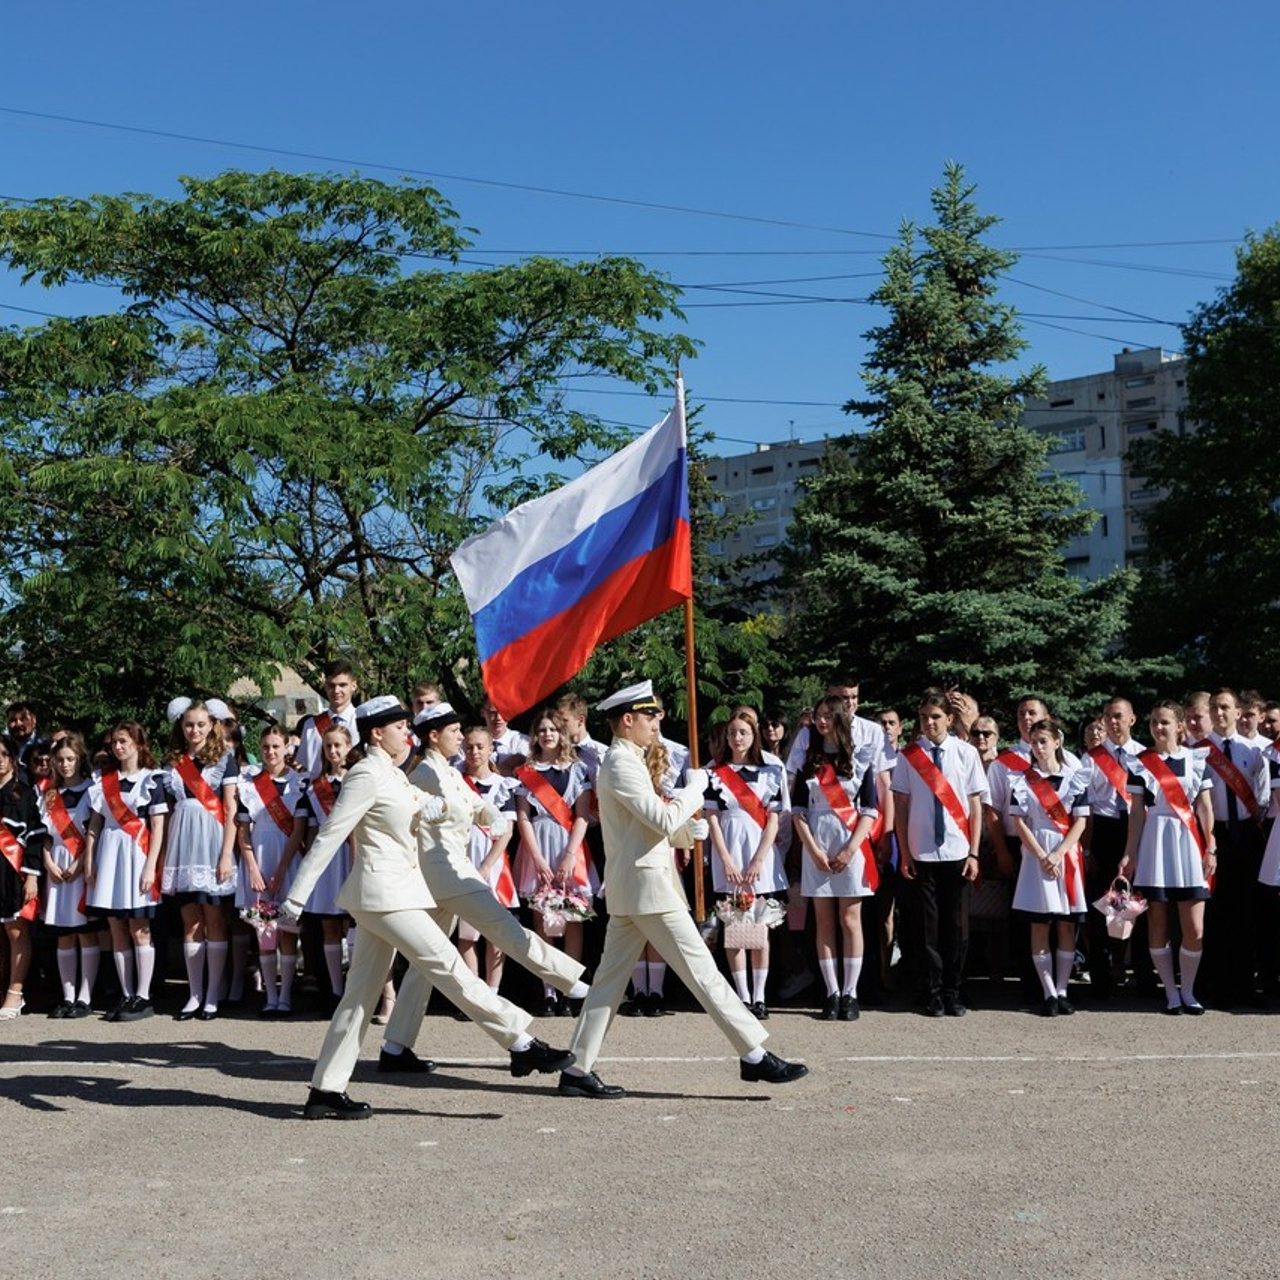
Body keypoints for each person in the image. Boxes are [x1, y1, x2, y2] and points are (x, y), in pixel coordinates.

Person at [279, 696, 574, 1120]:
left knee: (359, 997)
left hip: (394, 894)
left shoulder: (395, 774)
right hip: (384, 895)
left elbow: (418, 805)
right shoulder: (366, 773)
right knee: (447, 966)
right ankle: (521, 1042)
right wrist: (296, 896)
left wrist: (447, 808)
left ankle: (325, 1089)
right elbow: (331, 835)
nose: (408, 733)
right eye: (400, 727)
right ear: (377, 733)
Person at [560, 681, 808, 1099]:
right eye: (650, 716)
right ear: (628, 720)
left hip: (640, 886)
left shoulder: (630, 760)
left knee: (608, 983)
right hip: (647, 888)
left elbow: (645, 827)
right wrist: (697, 786)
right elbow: (657, 818)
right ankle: (754, 1053)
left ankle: (577, 1068)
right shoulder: (621, 762)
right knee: (702, 971)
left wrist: (682, 832)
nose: (657, 722)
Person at [378, 703, 590, 1072]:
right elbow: (406, 817)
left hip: (450, 873)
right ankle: (573, 983)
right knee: (504, 927)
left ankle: (395, 1048)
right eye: (455, 732)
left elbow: (474, 804)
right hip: (446, 873)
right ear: (433, 735)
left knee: (423, 968)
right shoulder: (425, 773)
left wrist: (491, 816)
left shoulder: (448, 769)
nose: (462, 738)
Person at [892, 689, 988, 1017]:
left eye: (935, 717)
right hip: (921, 852)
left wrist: (974, 853)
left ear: (949, 719)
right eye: (923, 717)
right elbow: (901, 807)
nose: (929, 723)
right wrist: (904, 853)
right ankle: (931, 990)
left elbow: (975, 805)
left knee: (956, 926)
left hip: (957, 849)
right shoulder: (908, 756)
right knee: (926, 927)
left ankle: (953, 989)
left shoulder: (965, 753)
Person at [1119, 701, 1215, 1015]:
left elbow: (1204, 809)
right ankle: (1171, 993)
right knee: (1157, 924)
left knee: (1195, 929)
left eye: (1165, 723)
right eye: (1154, 723)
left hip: (1188, 843)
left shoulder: (1196, 759)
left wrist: (1211, 845)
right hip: (1155, 844)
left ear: (1179, 726)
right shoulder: (1140, 763)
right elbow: (1135, 814)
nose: (1159, 729)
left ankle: (1188, 990)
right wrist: (1129, 855)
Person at [791, 697, 878, 1021]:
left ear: (841, 718)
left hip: (849, 847)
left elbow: (870, 809)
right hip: (817, 847)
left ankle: (851, 993)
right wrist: (812, 850)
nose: (822, 721)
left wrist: (850, 849)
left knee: (850, 920)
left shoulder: (859, 759)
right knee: (824, 922)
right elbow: (798, 811)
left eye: (828, 716)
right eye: (818, 716)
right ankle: (831, 992)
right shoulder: (809, 761)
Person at [705, 710, 789, 1019]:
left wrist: (758, 859)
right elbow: (711, 817)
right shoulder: (714, 772)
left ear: (754, 735)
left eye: (742, 732)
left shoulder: (771, 771)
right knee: (734, 925)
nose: (736, 738)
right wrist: (725, 858)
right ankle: (741, 997)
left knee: (759, 926)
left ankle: (759, 996)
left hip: (759, 855)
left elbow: (774, 820)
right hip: (727, 852)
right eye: (731, 733)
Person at [82, 722, 168, 1021]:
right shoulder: (103, 782)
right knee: (116, 928)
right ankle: (126, 992)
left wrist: (150, 867)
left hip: (137, 855)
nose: (118, 747)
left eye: (124, 741)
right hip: (109, 855)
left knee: (139, 927)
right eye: (115, 742)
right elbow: (94, 825)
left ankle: (143, 996)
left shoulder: (152, 781)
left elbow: (157, 829)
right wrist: (90, 860)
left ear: (138, 744)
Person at [162, 698, 240, 1021]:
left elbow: (232, 810)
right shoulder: (173, 762)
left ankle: (212, 995)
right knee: (190, 922)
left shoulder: (224, 759)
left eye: (201, 724)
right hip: (183, 844)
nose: (194, 730)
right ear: (181, 727)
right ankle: (193, 994)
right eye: (189, 724)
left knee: (215, 919)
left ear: (212, 726)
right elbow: (167, 813)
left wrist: (225, 854)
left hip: (212, 842)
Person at [1191, 688, 1268, 1008]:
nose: (1219, 713)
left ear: (1239, 712)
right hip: (1213, 835)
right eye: (1214, 708)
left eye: (1225, 707)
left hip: (1247, 835)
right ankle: (1217, 985)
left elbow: (1262, 800)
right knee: (1215, 912)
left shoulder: (1256, 751)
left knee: (1247, 912)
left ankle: (1243, 985)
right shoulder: (1196, 752)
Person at [513, 710, 594, 1014]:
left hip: (569, 845)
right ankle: (548, 991)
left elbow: (583, 815)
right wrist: (537, 859)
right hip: (538, 846)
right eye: (541, 729)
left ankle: (571, 986)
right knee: (542, 919)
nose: (547, 734)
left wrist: (571, 854)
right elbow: (523, 816)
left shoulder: (577, 769)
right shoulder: (526, 770)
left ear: (562, 734)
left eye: (552, 729)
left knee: (574, 919)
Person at [1009, 719, 1090, 1016]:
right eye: (1034, 742)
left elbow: (1081, 821)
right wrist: (1043, 854)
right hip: (1036, 855)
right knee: (1040, 924)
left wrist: (1058, 854)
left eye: (1044, 741)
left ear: (1057, 742)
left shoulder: (1075, 777)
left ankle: (1063, 989)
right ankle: (1048, 993)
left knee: (1067, 925)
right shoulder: (1022, 780)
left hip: (1065, 855)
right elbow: (1019, 822)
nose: (1039, 747)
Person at [274, 722, 356, 1013]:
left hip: (353, 856)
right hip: (327, 861)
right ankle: (335, 991)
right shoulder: (313, 786)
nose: (333, 751)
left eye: (338, 745)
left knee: (357, 926)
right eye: (328, 746)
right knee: (329, 925)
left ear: (349, 747)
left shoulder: (359, 779)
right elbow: (307, 833)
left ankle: (358, 991)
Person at [234, 724, 309, 1016]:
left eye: (276, 746)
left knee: (287, 932)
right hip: (259, 860)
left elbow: (298, 831)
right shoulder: (249, 784)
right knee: (264, 933)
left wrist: (280, 869)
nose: (270, 752)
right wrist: (253, 868)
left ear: (286, 748)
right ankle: (270, 996)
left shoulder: (298, 783)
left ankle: (286, 995)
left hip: (288, 861)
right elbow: (243, 830)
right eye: (265, 747)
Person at [1083, 698, 1145, 999]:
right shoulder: (1091, 758)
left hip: (1135, 832)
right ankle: (1101, 979)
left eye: (1119, 716)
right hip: (1103, 832)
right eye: (1108, 716)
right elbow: (1087, 808)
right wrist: (1088, 850)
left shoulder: (1145, 756)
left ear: (1132, 719)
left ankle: (1140, 974)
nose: (1113, 721)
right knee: (1102, 908)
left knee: (1135, 906)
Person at [40, 734, 99, 1018]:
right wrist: (49, 863)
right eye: (60, 760)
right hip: (57, 870)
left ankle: (85, 998)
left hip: (81, 866)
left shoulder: (92, 790)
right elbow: (46, 837)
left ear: (80, 759)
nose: (65, 765)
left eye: (70, 759)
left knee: (85, 934)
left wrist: (78, 865)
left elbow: (92, 832)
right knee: (64, 935)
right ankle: (67, 995)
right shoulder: (50, 796)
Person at [0, 733, 42, 1021]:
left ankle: (15, 992)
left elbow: (37, 837)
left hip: (12, 873)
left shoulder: (25, 794)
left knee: (16, 932)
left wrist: (31, 876)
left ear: (12, 759)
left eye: (2, 754)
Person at [296, 661, 360, 779]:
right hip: (318, 795)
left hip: (353, 791)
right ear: (325, 686)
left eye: (342, 685)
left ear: (354, 686)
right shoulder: (311, 726)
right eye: (331, 685)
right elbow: (305, 767)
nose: (336, 691)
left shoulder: (362, 721)